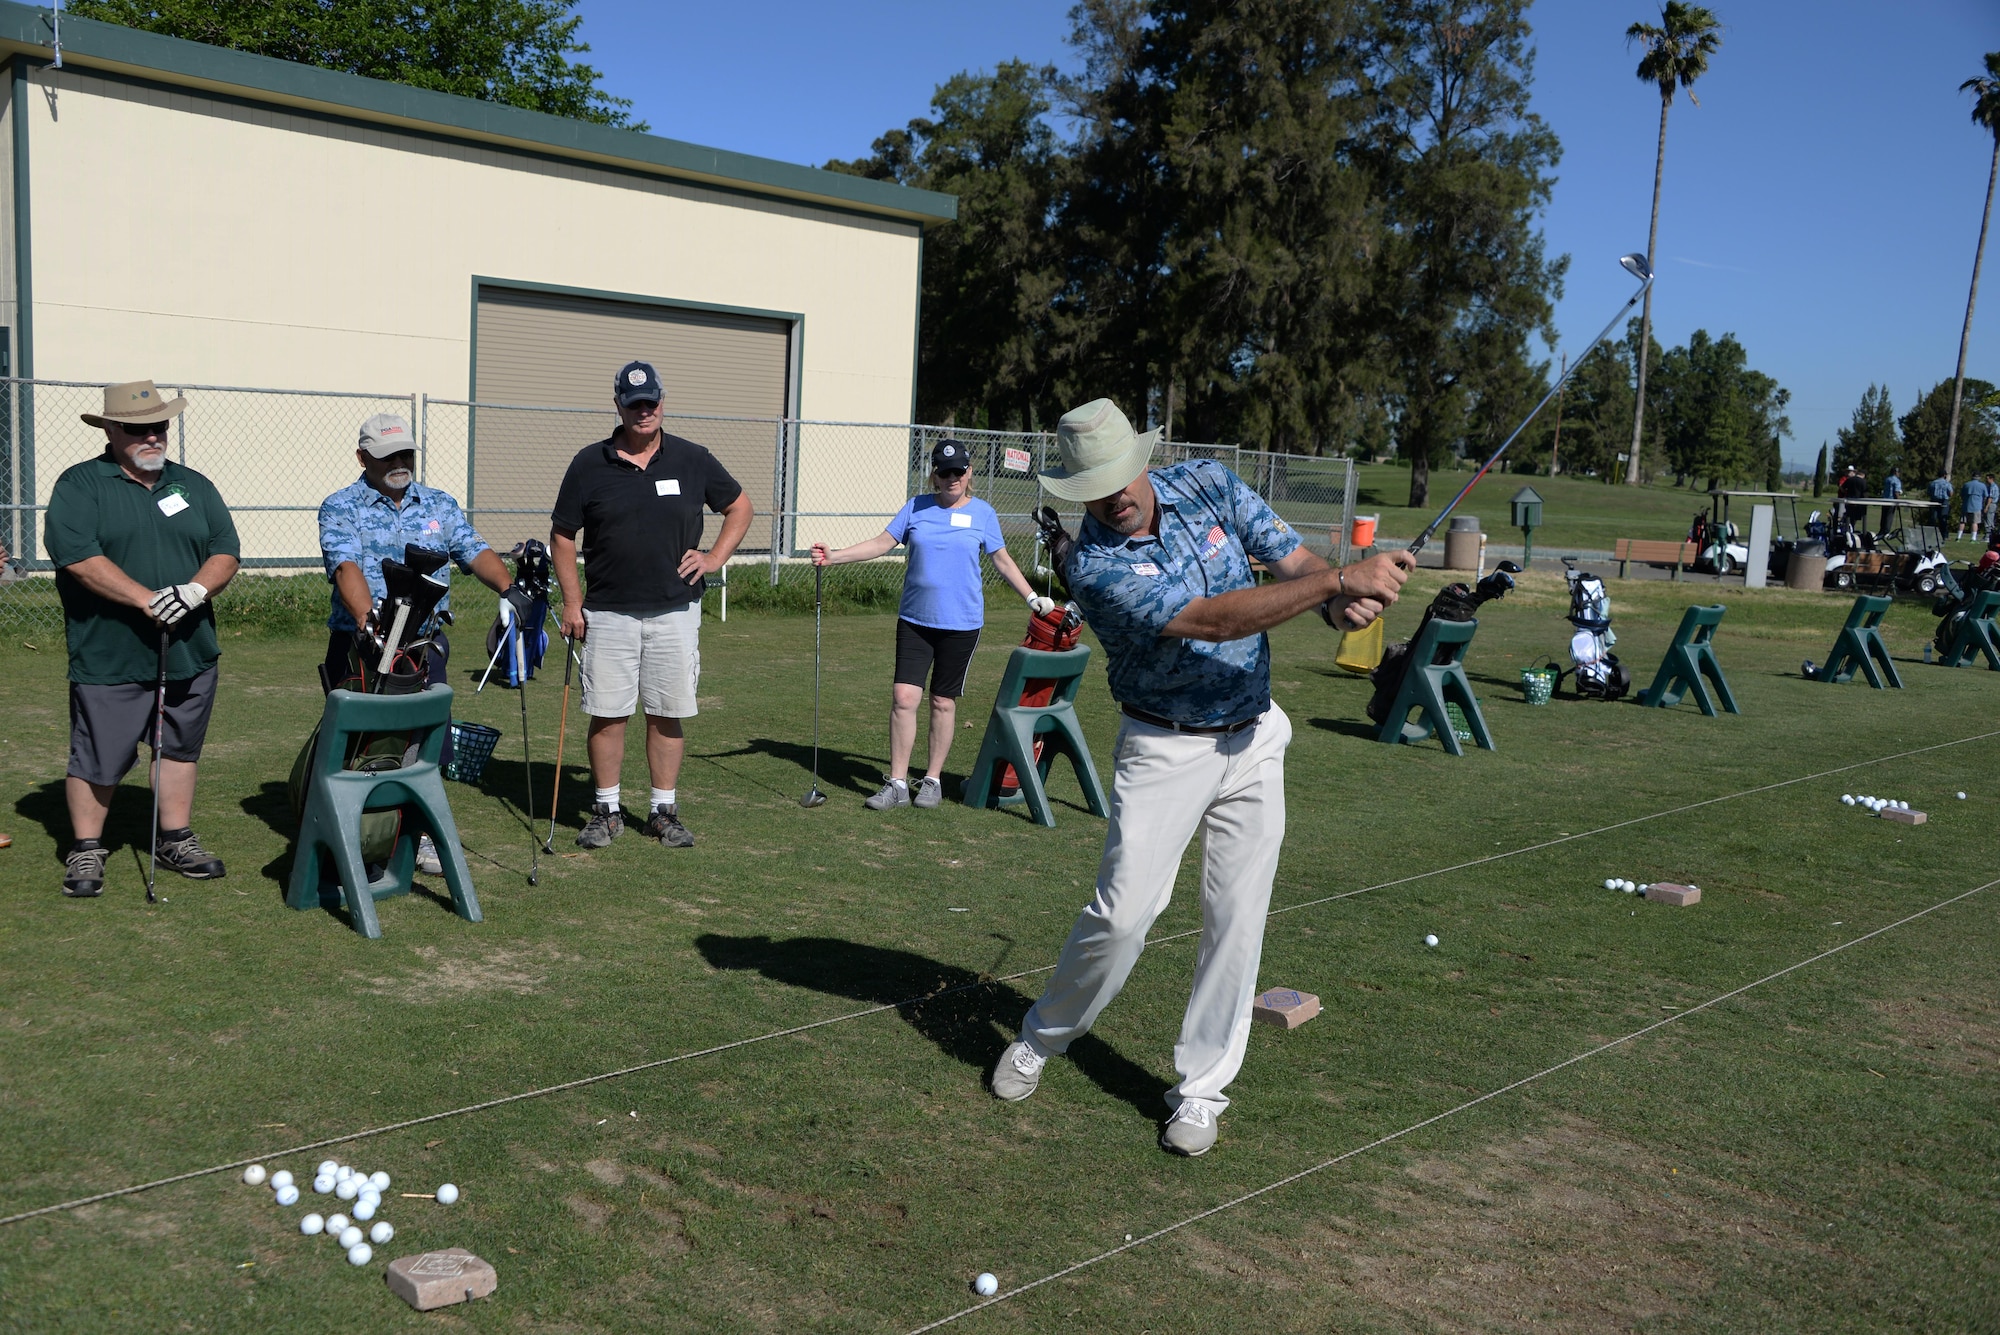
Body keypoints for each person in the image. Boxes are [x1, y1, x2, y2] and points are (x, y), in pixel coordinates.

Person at [986, 398, 1414, 1156]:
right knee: (1121, 918)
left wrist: (1337, 598)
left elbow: (1292, 562)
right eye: (1093, 487)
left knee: (1236, 919)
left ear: (1142, 462)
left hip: (1253, 737)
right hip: (1163, 749)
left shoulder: (1211, 483)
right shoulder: (1092, 564)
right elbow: (1216, 618)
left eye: (1119, 477)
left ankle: (1200, 1090)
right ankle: (1042, 1034)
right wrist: (1337, 581)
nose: (1113, 496)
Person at [43, 381, 240, 898]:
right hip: (110, 650)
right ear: (110, 429)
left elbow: (225, 548)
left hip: (190, 650)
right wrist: (147, 600)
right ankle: (86, 847)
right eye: (138, 428)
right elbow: (79, 557)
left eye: (160, 425)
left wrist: (196, 590)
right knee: (100, 754)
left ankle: (175, 837)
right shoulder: (81, 484)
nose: (152, 435)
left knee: (178, 747)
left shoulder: (193, 484)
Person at [551, 360, 754, 850]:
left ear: (663, 403)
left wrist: (713, 558)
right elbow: (562, 533)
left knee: (667, 712)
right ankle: (606, 809)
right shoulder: (589, 462)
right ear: (618, 406)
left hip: (675, 611)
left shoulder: (692, 459)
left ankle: (663, 810)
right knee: (608, 712)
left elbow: (740, 507)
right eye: (634, 404)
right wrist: (573, 603)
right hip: (607, 612)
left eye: (652, 402)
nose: (644, 411)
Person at [319, 412, 519, 873]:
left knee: (424, 746)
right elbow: (345, 567)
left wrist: (509, 590)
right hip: (360, 647)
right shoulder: (341, 506)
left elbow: (474, 550)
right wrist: (370, 621)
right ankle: (362, 840)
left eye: (406, 453)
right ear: (363, 456)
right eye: (389, 455)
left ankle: (421, 835)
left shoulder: (439, 504)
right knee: (360, 750)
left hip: (424, 648)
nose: (400, 461)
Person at [810, 440, 1053, 809]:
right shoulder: (916, 507)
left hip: (962, 624)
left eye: (958, 471)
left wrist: (1031, 597)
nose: (951, 478)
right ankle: (897, 783)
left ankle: (933, 780)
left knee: (942, 701)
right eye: (944, 471)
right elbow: (881, 543)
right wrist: (835, 557)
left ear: (969, 473)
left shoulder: (983, 513)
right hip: (915, 621)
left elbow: (1002, 560)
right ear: (934, 475)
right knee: (904, 697)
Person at [1960, 473, 1990, 542]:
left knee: (1962, 521)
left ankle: (1959, 537)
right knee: (1975, 522)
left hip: (1966, 505)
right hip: (1977, 506)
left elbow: (1962, 494)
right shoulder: (1982, 485)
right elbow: (1986, 495)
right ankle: (1973, 538)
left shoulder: (1966, 484)